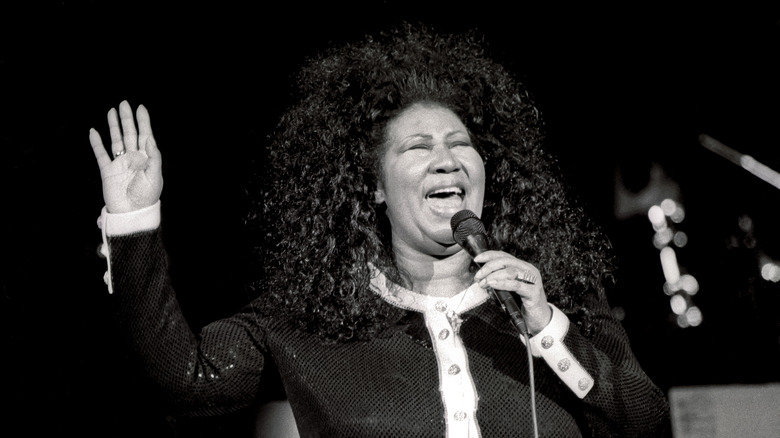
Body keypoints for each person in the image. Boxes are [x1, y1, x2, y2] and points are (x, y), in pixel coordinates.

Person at [90, 23, 671, 437]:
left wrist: (545, 329)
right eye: (419, 148)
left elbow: (647, 421)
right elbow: (184, 380)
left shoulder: (559, 305)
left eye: (460, 144)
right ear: (372, 186)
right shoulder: (308, 322)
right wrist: (134, 223)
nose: (447, 160)